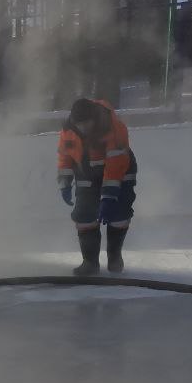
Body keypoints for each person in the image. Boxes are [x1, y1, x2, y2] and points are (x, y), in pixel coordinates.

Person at [57, 97, 137, 275]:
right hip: (87, 174)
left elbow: (116, 165)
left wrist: (108, 197)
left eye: (87, 123)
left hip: (120, 173)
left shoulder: (114, 127)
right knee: (84, 217)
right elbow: (64, 158)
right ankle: (90, 262)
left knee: (119, 215)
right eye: (80, 124)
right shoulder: (68, 130)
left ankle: (115, 257)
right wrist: (65, 183)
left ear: (94, 118)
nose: (83, 127)